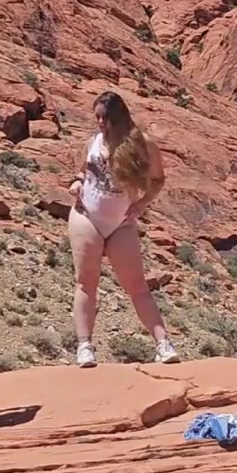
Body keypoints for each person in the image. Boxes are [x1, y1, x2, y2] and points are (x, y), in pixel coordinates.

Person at [67, 90, 180, 367]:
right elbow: (82, 170)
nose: (99, 123)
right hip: (86, 216)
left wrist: (141, 205)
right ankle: (85, 346)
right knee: (86, 282)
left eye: (104, 117)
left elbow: (157, 180)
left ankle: (163, 344)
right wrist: (78, 181)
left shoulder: (142, 144)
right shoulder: (93, 142)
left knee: (137, 286)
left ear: (118, 117)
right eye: (96, 117)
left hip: (121, 222)